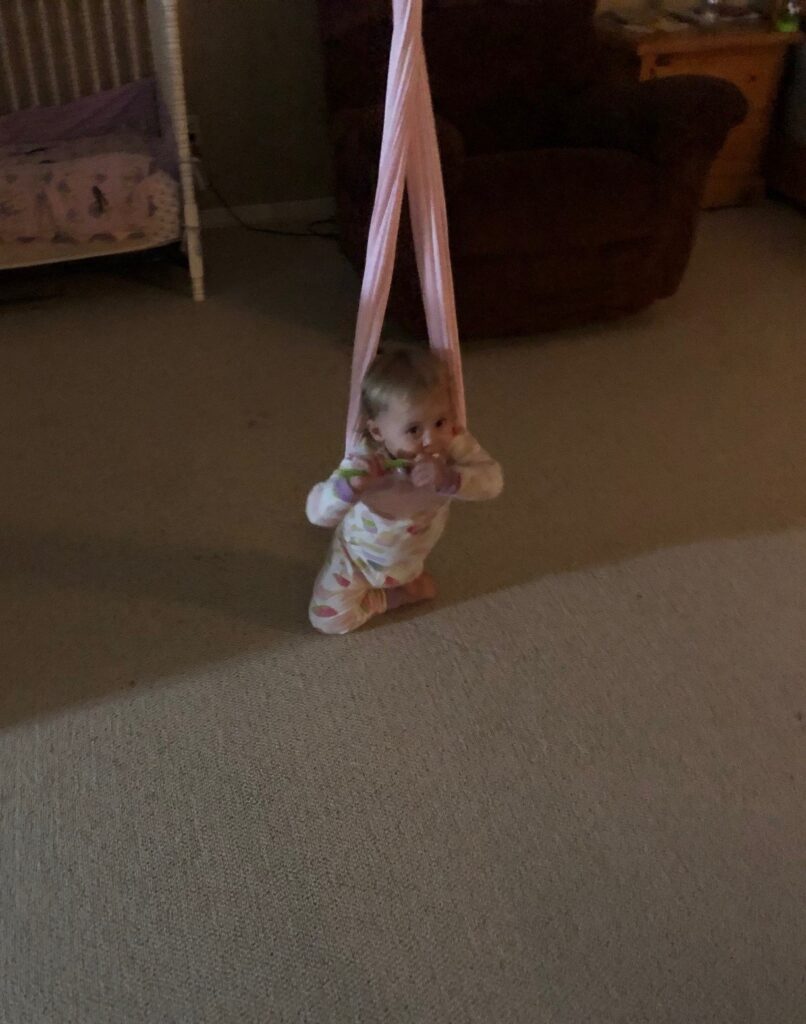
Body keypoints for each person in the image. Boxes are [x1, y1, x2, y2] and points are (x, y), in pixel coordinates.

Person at [306, 346, 503, 634]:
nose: (430, 438)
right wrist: (349, 488)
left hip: (410, 558)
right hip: (355, 558)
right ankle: (390, 597)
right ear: (377, 432)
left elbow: (492, 482)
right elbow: (317, 513)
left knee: (408, 572)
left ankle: (404, 586)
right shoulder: (365, 458)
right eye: (413, 429)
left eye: (439, 421)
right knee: (327, 621)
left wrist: (451, 478)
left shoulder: (452, 444)